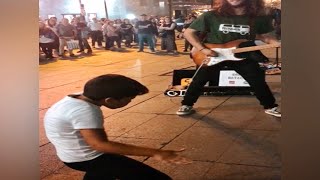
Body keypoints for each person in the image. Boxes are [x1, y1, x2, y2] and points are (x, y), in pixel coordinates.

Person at [44, 74, 191, 180]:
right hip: (87, 158)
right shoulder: (86, 111)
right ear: (109, 100)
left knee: (101, 173)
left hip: (69, 156)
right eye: (129, 99)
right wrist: (156, 152)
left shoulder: (77, 97)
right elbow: (100, 145)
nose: (130, 102)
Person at [176, 0, 281, 118]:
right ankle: (186, 104)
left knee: (257, 81)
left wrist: (276, 43)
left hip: (242, 54)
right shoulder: (211, 15)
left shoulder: (258, 18)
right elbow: (189, 33)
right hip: (214, 54)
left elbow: (264, 36)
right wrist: (203, 49)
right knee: (198, 81)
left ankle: (270, 106)